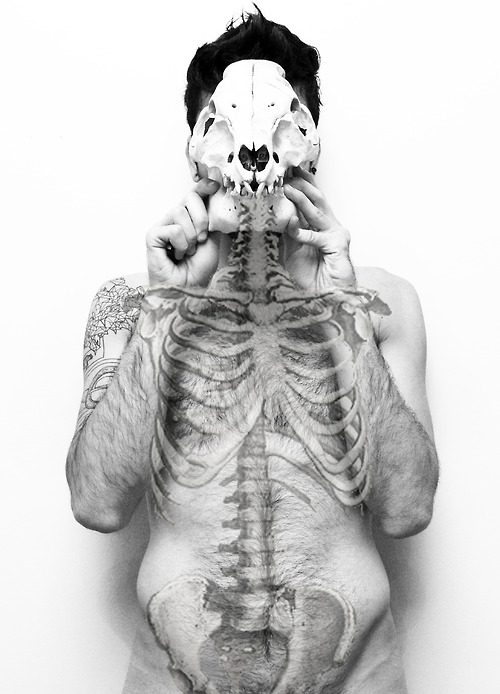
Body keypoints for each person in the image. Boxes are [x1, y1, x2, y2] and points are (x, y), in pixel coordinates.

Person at [66, 8, 439, 693]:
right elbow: (97, 503)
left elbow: (407, 510)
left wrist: (342, 310)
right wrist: (167, 306)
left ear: (308, 144)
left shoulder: (380, 302)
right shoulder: (132, 302)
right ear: (198, 147)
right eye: (228, 127)